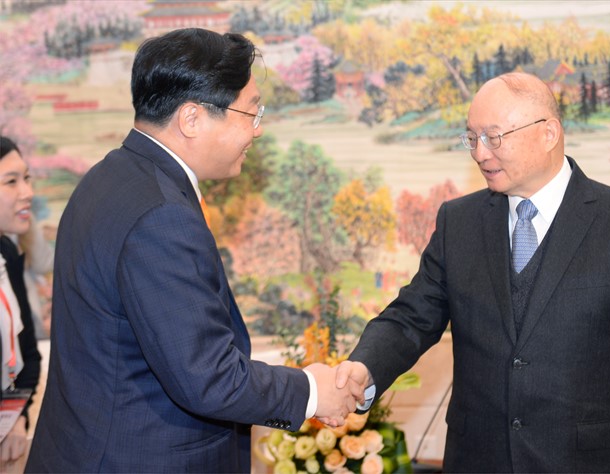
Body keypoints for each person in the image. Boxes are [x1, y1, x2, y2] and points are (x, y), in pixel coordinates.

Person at [25, 28, 361, 473]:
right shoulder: (161, 215)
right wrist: (312, 391)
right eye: (251, 112)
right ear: (192, 118)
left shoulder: (107, 178)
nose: (257, 130)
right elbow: (208, 377)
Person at [337, 72, 610, 472]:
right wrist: (364, 368)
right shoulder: (459, 223)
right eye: (472, 138)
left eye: (493, 137)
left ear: (548, 133)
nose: (479, 153)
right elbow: (410, 317)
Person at [0, 136, 41, 465]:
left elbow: (28, 355)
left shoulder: (7, 253)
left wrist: (16, 418)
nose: (27, 192)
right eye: (11, 181)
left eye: (26, 178)